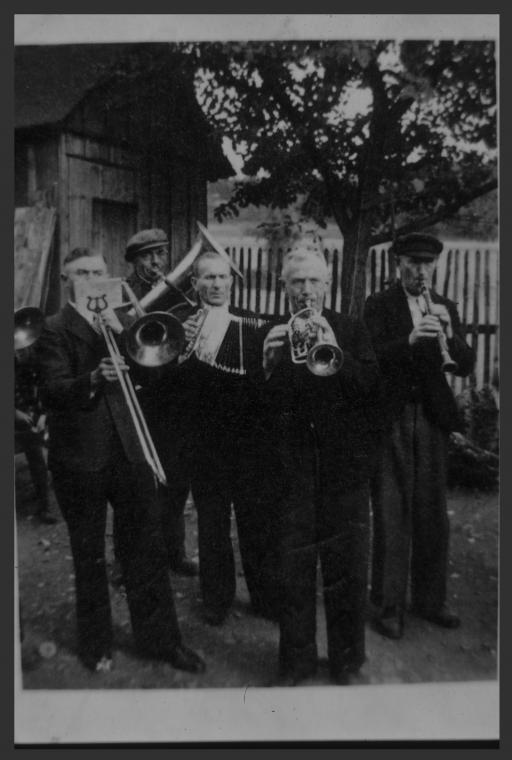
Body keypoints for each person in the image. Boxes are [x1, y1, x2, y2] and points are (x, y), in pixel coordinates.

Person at [35, 247, 205, 674]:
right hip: (80, 459)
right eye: (82, 273)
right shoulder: (53, 328)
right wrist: (93, 377)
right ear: (66, 279)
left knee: (146, 548)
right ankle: (97, 645)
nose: (92, 278)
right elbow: (51, 391)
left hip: (130, 452)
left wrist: (126, 335)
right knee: (89, 554)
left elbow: (156, 375)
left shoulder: (125, 319)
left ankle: (161, 641)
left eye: (98, 271)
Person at [256, 247, 381, 685]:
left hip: (344, 469)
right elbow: (259, 414)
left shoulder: (352, 329)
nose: (305, 291)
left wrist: (336, 349)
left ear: (327, 284)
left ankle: (346, 661)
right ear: (282, 286)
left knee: (347, 568)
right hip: (292, 471)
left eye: (313, 281)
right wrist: (268, 369)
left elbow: (371, 392)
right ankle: (296, 662)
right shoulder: (273, 334)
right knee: (292, 569)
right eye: (296, 282)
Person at [363, 232, 475, 640]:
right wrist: (410, 341)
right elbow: (370, 357)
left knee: (431, 513)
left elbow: (463, 365)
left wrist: (452, 335)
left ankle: (430, 600)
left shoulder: (445, 306)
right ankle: (388, 606)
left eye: (427, 264)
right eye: (413, 262)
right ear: (398, 264)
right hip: (392, 416)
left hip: (430, 419)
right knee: (392, 513)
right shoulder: (379, 305)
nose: (421, 270)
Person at [155, 249, 273, 626]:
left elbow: (264, 387)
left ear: (232, 282)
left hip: (248, 441)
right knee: (212, 521)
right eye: (208, 278)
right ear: (195, 284)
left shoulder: (255, 326)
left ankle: (265, 597)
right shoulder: (179, 323)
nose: (217, 284)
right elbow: (164, 389)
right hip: (204, 441)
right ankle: (217, 599)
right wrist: (179, 353)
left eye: (223, 277)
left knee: (255, 520)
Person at [124, 227, 197, 577]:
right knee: (138, 484)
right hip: (141, 397)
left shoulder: (176, 291)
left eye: (161, 254)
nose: (156, 262)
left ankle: (175, 553)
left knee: (177, 479)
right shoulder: (124, 294)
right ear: (135, 261)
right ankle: (132, 561)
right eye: (147, 256)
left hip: (175, 396)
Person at [15, 345, 56, 525]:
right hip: (15, 416)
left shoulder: (34, 362)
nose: (20, 352)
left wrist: (43, 415)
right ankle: (43, 505)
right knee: (34, 450)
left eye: (24, 350)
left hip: (32, 416)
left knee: (38, 453)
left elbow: (43, 390)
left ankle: (45, 503)